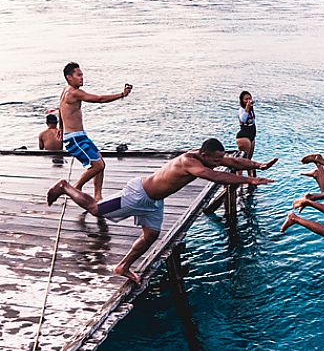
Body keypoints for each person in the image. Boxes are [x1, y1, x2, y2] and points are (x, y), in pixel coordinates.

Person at [47, 138, 277, 285]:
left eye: (220, 158)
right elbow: (215, 176)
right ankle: (65, 187)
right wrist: (251, 182)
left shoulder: (205, 157)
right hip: (137, 195)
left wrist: (257, 166)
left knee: (151, 235)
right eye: (215, 159)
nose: (219, 162)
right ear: (205, 155)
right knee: (97, 209)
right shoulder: (190, 161)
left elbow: (230, 163)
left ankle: (123, 267)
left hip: (154, 202)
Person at [58, 62, 132, 202]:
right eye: (78, 75)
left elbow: (60, 109)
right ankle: (75, 188)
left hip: (80, 136)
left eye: (82, 75)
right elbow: (99, 99)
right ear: (69, 77)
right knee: (98, 165)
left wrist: (61, 128)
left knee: (100, 162)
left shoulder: (66, 90)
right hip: (74, 139)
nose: (82, 78)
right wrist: (122, 94)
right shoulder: (74, 93)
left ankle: (98, 196)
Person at [235, 90, 257, 177]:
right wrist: (247, 108)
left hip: (252, 136)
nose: (248, 101)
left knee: (249, 159)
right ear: (242, 101)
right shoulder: (242, 110)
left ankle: (250, 177)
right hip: (243, 136)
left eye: (249, 98)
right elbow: (243, 119)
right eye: (246, 99)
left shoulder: (251, 110)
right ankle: (238, 178)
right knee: (243, 160)